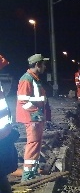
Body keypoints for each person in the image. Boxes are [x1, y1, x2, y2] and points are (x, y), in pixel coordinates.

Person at [16, 54, 51, 182]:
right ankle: (28, 176)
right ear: (37, 65)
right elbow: (23, 101)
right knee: (33, 144)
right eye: (43, 64)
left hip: (36, 117)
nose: (45, 67)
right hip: (32, 118)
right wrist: (36, 112)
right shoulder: (27, 79)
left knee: (36, 144)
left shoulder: (34, 78)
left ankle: (33, 171)